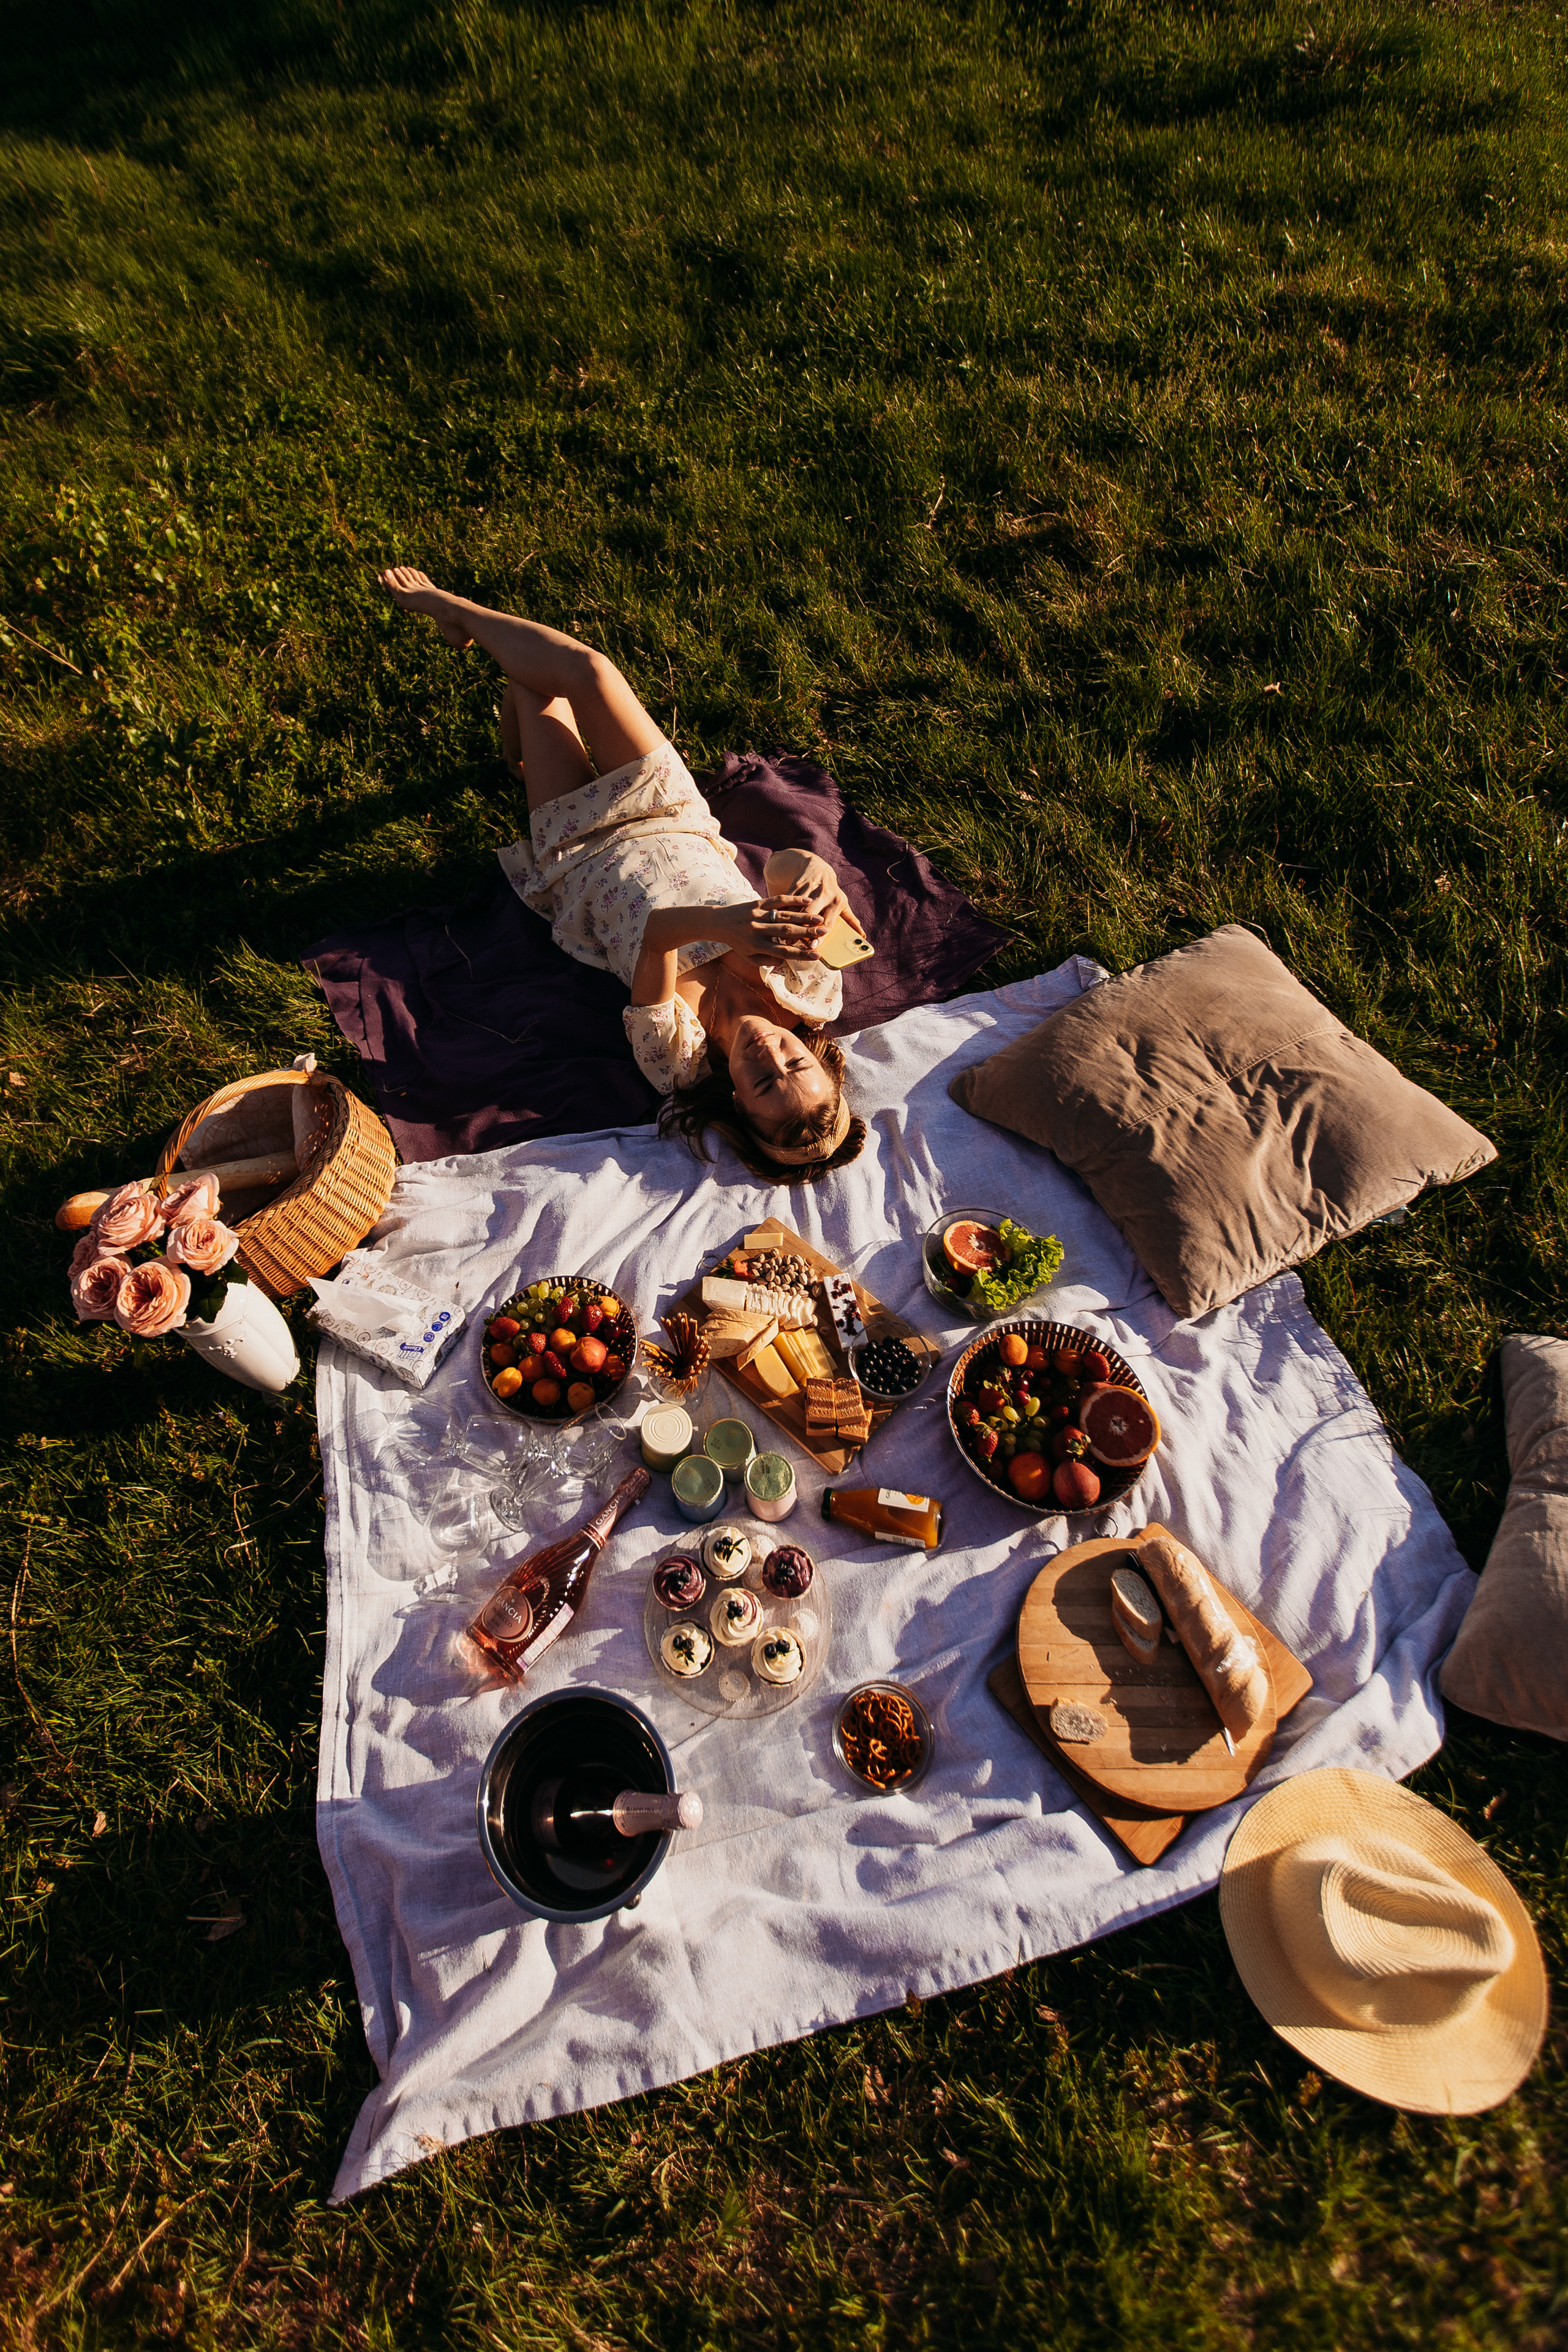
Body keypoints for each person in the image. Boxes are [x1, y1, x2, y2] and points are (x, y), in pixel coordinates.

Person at [378, 568, 869, 1185]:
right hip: (670, 815)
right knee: (589, 671)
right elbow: (780, 868)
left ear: (738, 1102)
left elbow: (658, 937)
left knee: (538, 689)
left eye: (765, 1082)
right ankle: (452, 609)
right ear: (820, 1059)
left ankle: (518, 733)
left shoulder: (678, 1062)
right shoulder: (814, 992)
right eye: (795, 1064)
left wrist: (727, 927)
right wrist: (817, 872)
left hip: (581, 856)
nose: (770, 1054)